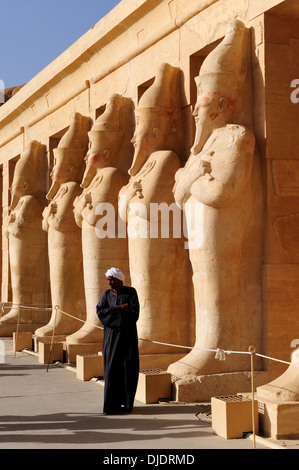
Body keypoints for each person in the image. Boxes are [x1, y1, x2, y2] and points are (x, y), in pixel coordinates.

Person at [96, 267, 139, 415]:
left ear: (120, 280)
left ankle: (127, 405)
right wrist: (119, 308)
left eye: (112, 280)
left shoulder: (131, 292)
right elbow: (101, 312)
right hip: (111, 338)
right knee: (112, 369)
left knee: (128, 369)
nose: (109, 283)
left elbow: (134, 314)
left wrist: (113, 312)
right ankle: (111, 406)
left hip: (127, 338)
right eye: (108, 280)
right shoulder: (106, 294)